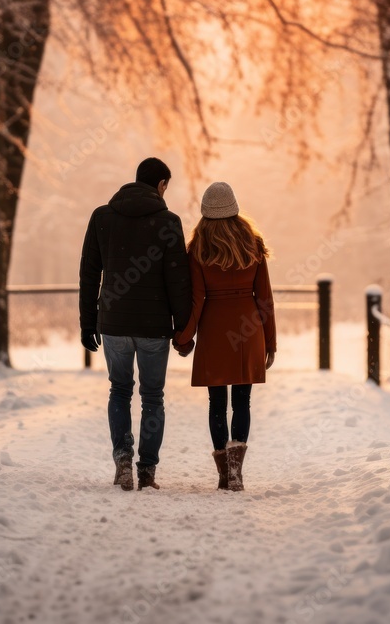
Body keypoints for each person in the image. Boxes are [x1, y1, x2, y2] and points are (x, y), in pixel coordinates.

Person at [79, 157, 192, 491]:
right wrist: (183, 329)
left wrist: (88, 322)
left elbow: (89, 273)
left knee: (119, 390)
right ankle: (147, 471)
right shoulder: (168, 222)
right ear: (161, 185)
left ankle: (123, 460)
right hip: (154, 326)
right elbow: (178, 280)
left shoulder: (102, 217)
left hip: (113, 322)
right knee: (152, 397)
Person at [173, 181, 276, 492]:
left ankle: (222, 473)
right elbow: (265, 298)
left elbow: (197, 299)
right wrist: (270, 342)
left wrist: (184, 337)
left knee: (216, 403)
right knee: (242, 400)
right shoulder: (253, 243)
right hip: (248, 328)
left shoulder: (198, 248)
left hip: (215, 329)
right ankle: (236, 471)